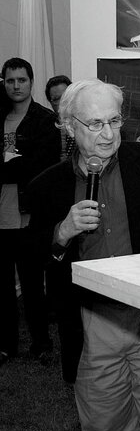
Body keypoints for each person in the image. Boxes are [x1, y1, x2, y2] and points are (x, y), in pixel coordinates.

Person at [26, 78, 140, 431]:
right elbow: (33, 256)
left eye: (114, 121)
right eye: (95, 124)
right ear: (69, 126)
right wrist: (62, 232)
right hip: (92, 325)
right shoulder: (47, 186)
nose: (108, 134)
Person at [0, 58, 60, 366]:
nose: (16, 86)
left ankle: (41, 342)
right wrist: (14, 162)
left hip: (28, 216)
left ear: (31, 82)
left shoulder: (44, 120)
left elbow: (41, 168)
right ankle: (6, 344)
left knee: (33, 284)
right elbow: (23, 163)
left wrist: (10, 164)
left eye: (21, 80)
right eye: (10, 81)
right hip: (0, 217)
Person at [45, 74, 76, 160]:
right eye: (56, 99)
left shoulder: (86, 122)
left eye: (65, 96)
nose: (62, 102)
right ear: (50, 103)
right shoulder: (47, 127)